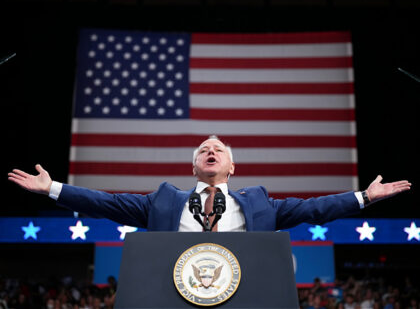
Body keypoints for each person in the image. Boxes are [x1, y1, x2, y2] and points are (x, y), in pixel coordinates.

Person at [8, 135, 411, 232]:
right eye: (203, 149)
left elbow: (313, 209)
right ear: (195, 166)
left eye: (219, 149)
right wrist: (53, 189)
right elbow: (105, 202)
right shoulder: (163, 200)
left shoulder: (259, 204)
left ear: (232, 167)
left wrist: (364, 197)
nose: (211, 150)